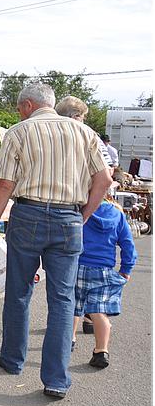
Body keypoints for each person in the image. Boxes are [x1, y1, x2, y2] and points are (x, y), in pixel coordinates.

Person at [0, 82, 111, 400]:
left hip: (28, 216)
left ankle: (12, 360)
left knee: (19, 292)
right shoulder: (85, 133)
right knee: (63, 300)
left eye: (18, 107)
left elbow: (4, 185)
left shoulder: (19, 132)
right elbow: (105, 180)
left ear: (27, 105)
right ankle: (55, 379)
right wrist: (83, 216)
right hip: (68, 219)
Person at [54, 95, 113, 337]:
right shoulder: (90, 136)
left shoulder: (52, 133)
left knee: (73, 272)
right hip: (89, 205)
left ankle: (73, 326)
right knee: (90, 260)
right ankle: (89, 317)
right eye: (83, 116)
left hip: (74, 206)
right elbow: (107, 174)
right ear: (76, 116)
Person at [70, 187, 137, 368]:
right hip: (103, 270)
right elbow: (127, 244)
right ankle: (101, 351)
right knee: (99, 311)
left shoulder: (80, 209)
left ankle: (70, 339)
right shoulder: (117, 214)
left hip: (77, 266)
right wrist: (126, 268)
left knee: (73, 306)